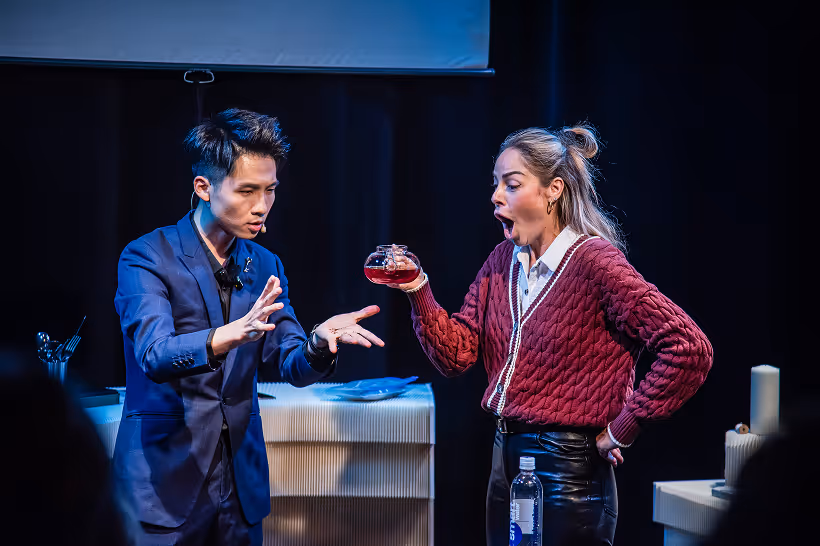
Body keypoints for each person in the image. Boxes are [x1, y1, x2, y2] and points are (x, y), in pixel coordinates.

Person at [384, 125, 713, 545]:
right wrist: (417, 288)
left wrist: (622, 427)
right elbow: (457, 356)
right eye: (495, 184)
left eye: (512, 184)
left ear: (553, 190)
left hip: (568, 473)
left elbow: (689, 348)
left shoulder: (595, 263)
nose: (496, 196)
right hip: (505, 462)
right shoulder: (503, 260)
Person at [113, 108, 383, 546]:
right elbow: (154, 354)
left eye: (270, 190)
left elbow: (291, 362)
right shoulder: (148, 256)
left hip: (240, 488)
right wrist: (231, 334)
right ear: (204, 187)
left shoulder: (265, 264)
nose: (261, 206)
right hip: (163, 485)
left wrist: (318, 342)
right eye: (247, 191)